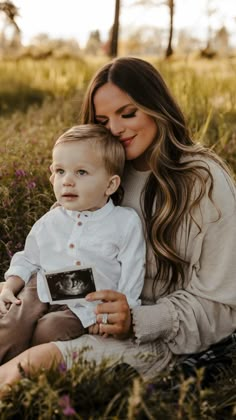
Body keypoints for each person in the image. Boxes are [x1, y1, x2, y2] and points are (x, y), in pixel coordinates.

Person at [0, 56, 236, 386]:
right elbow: (59, 243)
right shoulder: (103, 167)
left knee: (23, 369)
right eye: (102, 120)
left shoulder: (203, 180)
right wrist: (21, 289)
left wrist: (137, 319)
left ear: (157, 107)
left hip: (148, 336)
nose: (115, 129)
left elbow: (221, 307)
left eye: (128, 114)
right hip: (74, 305)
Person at [0, 123, 146, 365]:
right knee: (14, 323)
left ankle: (18, 368)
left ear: (110, 185)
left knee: (50, 330)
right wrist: (9, 287)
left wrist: (119, 315)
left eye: (81, 172)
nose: (67, 181)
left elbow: (133, 272)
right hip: (42, 287)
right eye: (60, 171)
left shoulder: (124, 222)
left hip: (85, 304)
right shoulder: (50, 221)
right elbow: (28, 259)